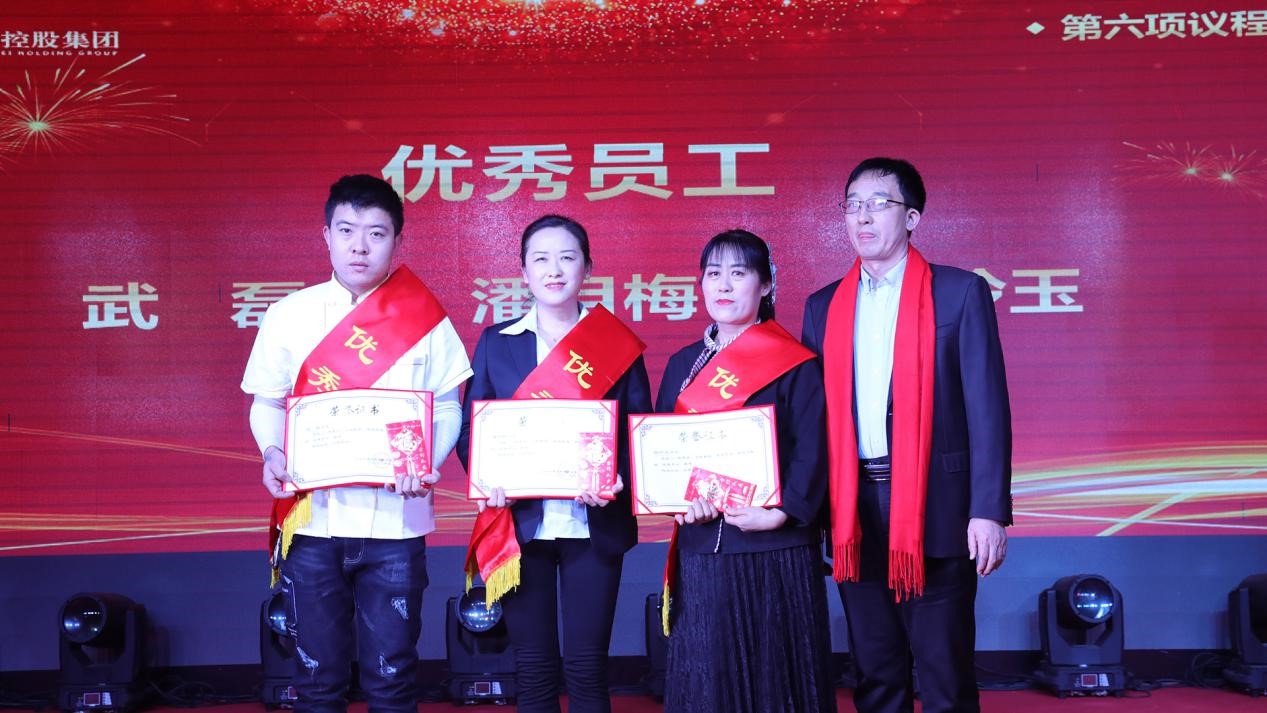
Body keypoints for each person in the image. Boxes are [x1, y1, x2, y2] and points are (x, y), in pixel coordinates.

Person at [241, 174, 472, 712]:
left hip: (396, 523)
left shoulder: (425, 319)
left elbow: (447, 407)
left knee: (392, 680)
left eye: (376, 233)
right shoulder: (289, 314)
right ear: (326, 235)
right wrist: (272, 452)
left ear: (397, 240)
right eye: (346, 231)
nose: (359, 246)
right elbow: (267, 402)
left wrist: (427, 461)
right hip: (312, 522)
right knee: (316, 681)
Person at [801, 157, 1012, 713]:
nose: (862, 217)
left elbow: (988, 409)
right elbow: (813, 420)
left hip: (938, 505)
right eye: (852, 205)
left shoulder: (959, 293)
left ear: (912, 217)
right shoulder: (823, 307)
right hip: (853, 509)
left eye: (878, 204)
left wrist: (988, 510)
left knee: (945, 675)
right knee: (876, 673)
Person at [458, 215, 652, 713]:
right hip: (519, 526)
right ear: (523, 272)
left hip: (594, 523)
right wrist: (487, 479)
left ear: (588, 267)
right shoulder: (496, 342)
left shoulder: (616, 344)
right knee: (533, 666)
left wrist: (616, 477)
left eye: (567, 257)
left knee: (588, 666)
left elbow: (639, 431)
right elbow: (472, 431)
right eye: (540, 259)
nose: (554, 270)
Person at [657, 229, 836, 713]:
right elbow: (663, 449)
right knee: (707, 678)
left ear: (766, 284)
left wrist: (781, 512)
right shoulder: (681, 366)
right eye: (713, 273)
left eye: (739, 273)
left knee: (779, 678)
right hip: (703, 546)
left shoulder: (795, 361)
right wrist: (677, 504)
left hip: (775, 545)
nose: (724, 285)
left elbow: (813, 447)